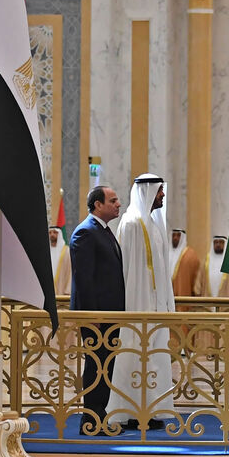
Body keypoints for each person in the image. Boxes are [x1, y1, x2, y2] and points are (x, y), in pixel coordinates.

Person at [104, 176, 173, 432]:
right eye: (160, 192)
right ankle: (131, 411)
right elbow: (128, 271)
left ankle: (151, 408)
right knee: (134, 357)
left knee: (154, 358)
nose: (163, 196)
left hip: (154, 305)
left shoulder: (155, 224)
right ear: (148, 193)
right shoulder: (132, 223)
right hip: (136, 303)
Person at [68, 185, 127, 435]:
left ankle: (99, 417)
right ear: (97, 205)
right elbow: (84, 280)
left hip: (109, 315)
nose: (118, 204)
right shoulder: (85, 233)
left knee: (106, 366)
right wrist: (92, 317)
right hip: (97, 317)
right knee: (96, 366)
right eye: (112, 200)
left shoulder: (103, 231)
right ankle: (90, 421)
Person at [171, 229, 202, 300]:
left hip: (183, 299)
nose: (175, 238)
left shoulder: (190, 255)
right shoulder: (166, 255)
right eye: (174, 235)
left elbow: (196, 280)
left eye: (178, 235)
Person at [50, 223, 71, 296]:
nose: (52, 235)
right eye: (50, 233)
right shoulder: (45, 252)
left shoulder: (67, 251)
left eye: (55, 232)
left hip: (62, 291)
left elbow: (70, 272)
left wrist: (68, 290)